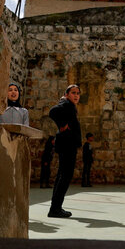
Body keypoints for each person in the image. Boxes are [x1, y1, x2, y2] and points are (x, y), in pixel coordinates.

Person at [47, 85, 82, 218]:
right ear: (66, 94)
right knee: (65, 176)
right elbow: (52, 112)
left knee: (62, 176)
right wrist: (62, 125)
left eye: (78, 93)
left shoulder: (68, 105)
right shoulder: (66, 104)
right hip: (67, 144)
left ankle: (55, 207)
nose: (76, 95)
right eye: (73, 93)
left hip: (68, 144)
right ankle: (55, 209)